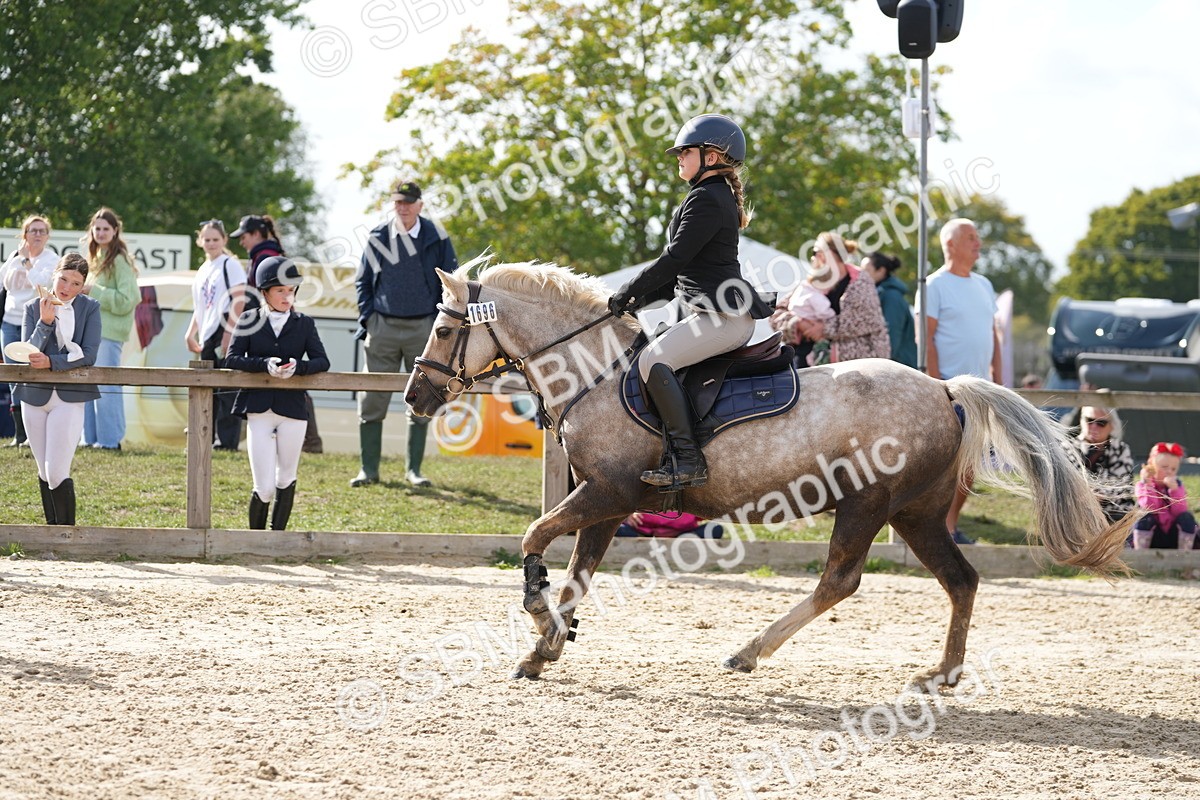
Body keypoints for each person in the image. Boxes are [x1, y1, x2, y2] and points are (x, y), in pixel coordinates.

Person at [606, 114, 774, 490]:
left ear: (711, 157)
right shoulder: (708, 197)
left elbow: (674, 259)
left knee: (653, 360)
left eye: (686, 151)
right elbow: (678, 279)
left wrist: (627, 289)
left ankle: (688, 460)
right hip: (714, 313)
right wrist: (630, 302)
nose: (679, 157)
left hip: (724, 317)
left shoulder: (707, 199)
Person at [352, 179, 459, 488]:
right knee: (372, 397)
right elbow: (363, 281)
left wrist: (438, 322)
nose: (403, 207)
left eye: (409, 202)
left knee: (422, 397)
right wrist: (368, 318)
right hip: (382, 326)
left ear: (420, 205)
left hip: (423, 328)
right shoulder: (378, 236)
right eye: (398, 202)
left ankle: (414, 471)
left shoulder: (437, 237)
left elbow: (451, 283)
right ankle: (368, 470)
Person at [224, 257, 329, 530]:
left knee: (286, 478)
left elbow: (322, 361)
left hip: (293, 410)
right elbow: (232, 358)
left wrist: (299, 367)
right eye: (280, 290)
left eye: (291, 290)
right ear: (265, 292)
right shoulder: (249, 319)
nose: (287, 296)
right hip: (259, 409)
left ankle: (278, 539)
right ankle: (255, 540)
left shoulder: (304, 323)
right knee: (265, 486)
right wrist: (263, 364)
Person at [922, 218, 1001, 545]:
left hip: (981, 391)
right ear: (950, 244)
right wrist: (937, 385)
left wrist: (999, 379)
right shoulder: (934, 285)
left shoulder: (984, 284)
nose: (978, 243)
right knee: (944, 467)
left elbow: (994, 337)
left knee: (970, 467)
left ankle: (949, 528)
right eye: (971, 237)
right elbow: (927, 338)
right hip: (949, 390)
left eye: (978, 237)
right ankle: (934, 529)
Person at [14, 253, 102, 525]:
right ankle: (52, 534)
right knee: (43, 471)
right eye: (63, 279)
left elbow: (89, 355)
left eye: (76, 283)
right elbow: (28, 350)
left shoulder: (90, 307)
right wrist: (46, 322)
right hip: (34, 396)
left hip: (70, 396)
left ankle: (67, 536)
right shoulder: (32, 307)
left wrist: (53, 362)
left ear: (83, 285)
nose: (67, 287)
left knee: (56, 471)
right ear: (54, 274)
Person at [230, 213, 323, 454]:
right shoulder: (261, 255)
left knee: (290, 384)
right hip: (264, 322)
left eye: (245, 236)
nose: (241, 241)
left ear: (258, 234)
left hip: (271, 323)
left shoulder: (266, 257)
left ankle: (310, 441)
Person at [770, 232, 890, 368]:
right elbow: (777, 313)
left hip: (850, 371)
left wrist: (824, 329)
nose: (812, 257)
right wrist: (799, 324)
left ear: (823, 255)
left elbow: (865, 322)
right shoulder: (810, 283)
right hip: (801, 364)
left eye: (815, 252)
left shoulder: (861, 284)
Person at [185, 219, 247, 450]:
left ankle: (227, 441)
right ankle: (205, 437)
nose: (211, 243)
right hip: (207, 332)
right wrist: (190, 333)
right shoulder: (203, 268)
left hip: (224, 326)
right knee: (206, 387)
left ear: (224, 240)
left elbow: (239, 300)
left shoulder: (229, 264)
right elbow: (200, 306)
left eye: (215, 239)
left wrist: (229, 333)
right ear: (200, 241)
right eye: (207, 239)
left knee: (226, 387)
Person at [81, 207, 138, 451]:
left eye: (106, 228)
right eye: (98, 228)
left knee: (107, 385)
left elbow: (129, 299)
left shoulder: (119, 260)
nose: (102, 232)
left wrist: (93, 290)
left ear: (115, 231)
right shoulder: (95, 260)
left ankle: (110, 441)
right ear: (92, 231)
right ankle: (91, 439)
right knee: (87, 385)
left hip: (110, 334)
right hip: (90, 334)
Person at [1, 215, 58, 447]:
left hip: (33, 321)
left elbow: (41, 285)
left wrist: (26, 263)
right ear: (24, 234)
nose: (36, 235)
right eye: (32, 230)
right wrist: (18, 260)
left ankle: (33, 433)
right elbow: (4, 283)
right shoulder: (15, 257)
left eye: (41, 231)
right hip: (9, 320)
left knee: (29, 372)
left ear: (47, 236)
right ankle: (19, 433)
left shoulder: (51, 259)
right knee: (12, 375)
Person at [1067, 405, 1135, 523]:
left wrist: (1093, 495)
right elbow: (1068, 483)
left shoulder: (1121, 449)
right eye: (1089, 420)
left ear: (1112, 426)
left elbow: (1120, 486)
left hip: (1114, 512)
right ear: (1082, 421)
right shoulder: (1068, 448)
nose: (1094, 426)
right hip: (1077, 510)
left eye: (1101, 423)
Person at [1132, 442, 1196, 550]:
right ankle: (1140, 553)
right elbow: (1151, 508)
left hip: (1172, 534)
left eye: (1173, 469)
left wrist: (1174, 491)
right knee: (1144, 516)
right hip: (1153, 535)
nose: (1169, 472)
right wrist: (1148, 484)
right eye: (1164, 467)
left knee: (1187, 517)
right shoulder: (1143, 485)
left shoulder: (1177, 486)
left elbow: (1180, 511)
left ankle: (1185, 554)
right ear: (1151, 466)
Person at [861, 251, 917, 368]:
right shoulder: (879, 293)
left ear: (881, 271)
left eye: (866, 270)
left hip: (899, 368)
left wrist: (881, 367)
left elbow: (892, 335)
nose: (861, 275)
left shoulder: (892, 297)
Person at [229, 214, 285, 289]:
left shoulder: (265, 258)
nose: (241, 243)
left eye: (243, 237)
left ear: (256, 234)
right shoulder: (259, 256)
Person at [615, 511, 724, 539]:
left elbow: (707, 514)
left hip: (682, 535)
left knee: (715, 528)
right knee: (618, 529)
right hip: (643, 533)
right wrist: (627, 514)